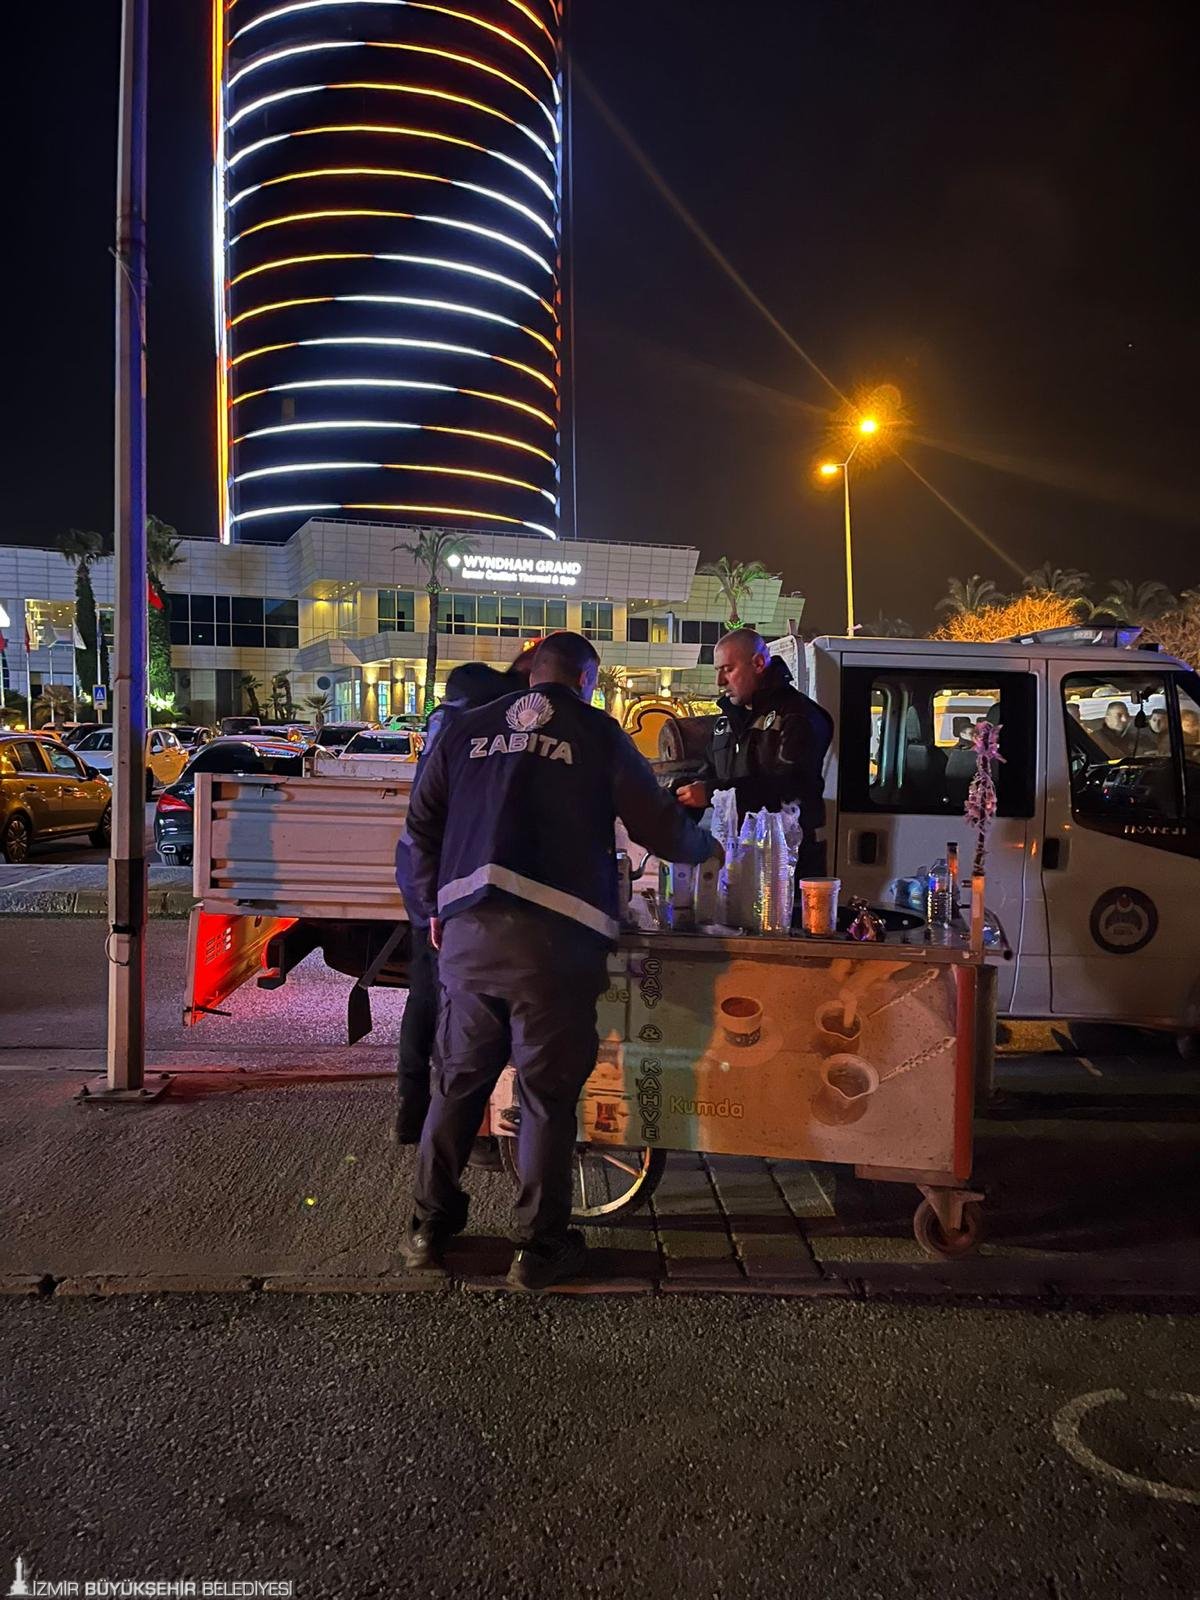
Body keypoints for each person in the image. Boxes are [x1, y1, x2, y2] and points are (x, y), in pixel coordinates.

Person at [401, 631, 719, 1290]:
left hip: (468, 936)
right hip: (554, 943)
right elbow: (656, 825)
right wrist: (704, 847)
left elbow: (421, 826)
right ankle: (538, 1249)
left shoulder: (465, 729)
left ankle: (428, 1231)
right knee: (546, 1096)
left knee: (458, 1084)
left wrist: (431, 907)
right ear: (584, 680)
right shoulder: (597, 733)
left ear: (531, 676)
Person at [393, 661, 511, 1144]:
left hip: (430, 886)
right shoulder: (463, 736)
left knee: (425, 997)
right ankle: (445, 1118)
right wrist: (435, 905)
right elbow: (431, 828)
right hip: (440, 889)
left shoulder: (446, 728)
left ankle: (413, 1111)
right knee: (446, 1002)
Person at [677, 628, 834, 876]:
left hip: (786, 865)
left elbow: (789, 787)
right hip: (734, 861)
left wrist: (712, 793)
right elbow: (707, 775)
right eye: (717, 671)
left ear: (759, 663)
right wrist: (674, 798)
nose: (720, 682)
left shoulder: (798, 716)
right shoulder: (726, 722)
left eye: (728, 669)